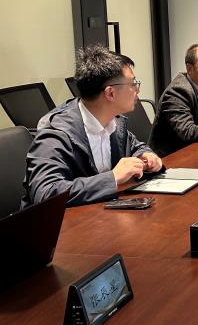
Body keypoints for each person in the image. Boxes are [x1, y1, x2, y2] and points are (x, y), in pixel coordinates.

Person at [22, 45, 162, 207]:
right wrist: (112, 178)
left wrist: (146, 155)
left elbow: (134, 146)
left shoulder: (114, 122)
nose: (137, 89)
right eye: (132, 83)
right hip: (62, 221)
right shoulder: (56, 134)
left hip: (102, 212)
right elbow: (46, 192)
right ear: (110, 93)